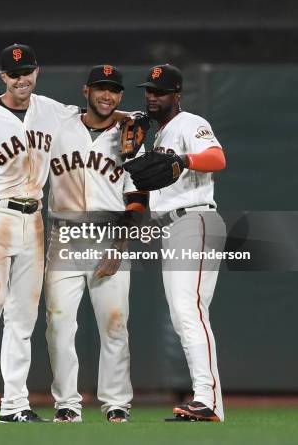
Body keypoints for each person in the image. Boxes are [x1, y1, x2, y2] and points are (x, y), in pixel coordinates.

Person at [0, 43, 78, 423]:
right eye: (13, 73)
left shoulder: (52, 111)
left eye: (26, 71)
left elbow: (92, 116)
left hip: (34, 219)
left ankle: (15, 404)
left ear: (37, 71)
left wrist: (132, 116)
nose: (20, 78)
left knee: (23, 317)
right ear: (2, 77)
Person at [45, 65, 148, 424]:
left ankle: (117, 402)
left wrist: (119, 247)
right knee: (58, 322)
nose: (107, 96)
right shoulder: (60, 125)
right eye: (101, 89)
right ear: (86, 90)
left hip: (109, 232)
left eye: (114, 90)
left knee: (115, 324)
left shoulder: (130, 135)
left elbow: (138, 197)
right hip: (65, 233)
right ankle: (67, 403)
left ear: (120, 95)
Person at [125, 64, 226, 422]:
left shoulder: (189, 123)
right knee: (184, 316)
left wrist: (184, 159)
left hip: (195, 218)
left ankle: (208, 400)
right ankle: (207, 402)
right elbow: (141, 184)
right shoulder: (156, 135)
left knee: (189, 310)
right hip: (171, 226)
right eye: (149, 92)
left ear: (177, 95)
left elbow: (217, 158)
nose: (153, 97)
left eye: (161, 92)